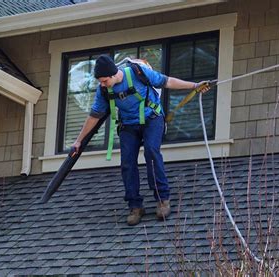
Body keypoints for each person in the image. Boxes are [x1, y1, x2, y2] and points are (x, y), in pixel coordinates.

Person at [72, 55, 210, 226]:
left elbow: (167, 82)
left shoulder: (138, 73)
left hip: (151, 119)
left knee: (152, 151)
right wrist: (78, 140)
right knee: (127, 163)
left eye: (104, 80)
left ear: (114, 74)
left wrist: (195, 86)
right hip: (128, 126)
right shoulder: (103, 91)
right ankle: (135, 206)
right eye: (100, 81)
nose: (102, 84)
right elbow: (94, 115)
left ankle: (162, 200)